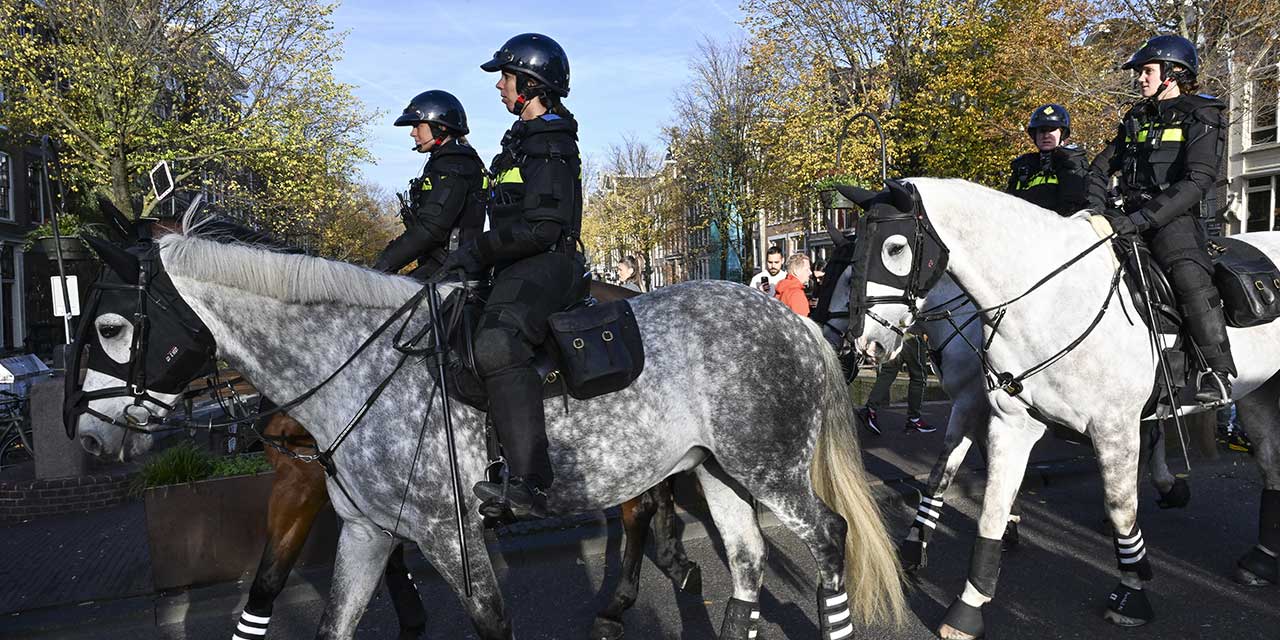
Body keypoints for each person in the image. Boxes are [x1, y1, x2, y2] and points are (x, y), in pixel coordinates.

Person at [441, 33, 583, 519]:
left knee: (497, 344)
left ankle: (531, 482)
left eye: (504, 77)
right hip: (514, 263)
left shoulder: (548, 139)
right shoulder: (518, 142)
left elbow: (545, 227)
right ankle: (493, 461)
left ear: (530, 83)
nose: (498, 86)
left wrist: (479, 251)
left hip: (549, 263)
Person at [1087, 34, 1233, 405]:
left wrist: (1140, 219)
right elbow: (1101, 167)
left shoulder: (1202, 113)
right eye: (1140, 72)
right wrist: (1093, 210)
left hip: (1173, 219)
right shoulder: (1136, 116)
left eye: (1147, 71)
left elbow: (1198, 181)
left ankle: (1214, 371)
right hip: (1127, 217)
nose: (1140, 79)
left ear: (1174, 72)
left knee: (1188, 276)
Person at [372, 90, 487, 279]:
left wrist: (381, 267)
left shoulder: (455, 164)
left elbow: (431, 228)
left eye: (418, 126)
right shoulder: (446, 161)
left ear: (439, 127)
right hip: (442, 268)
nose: (412, 132)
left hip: (453, 275)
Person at [1006, 104, 1090, 217]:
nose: (1046, 135)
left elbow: (1072, 207)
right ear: (1034, 135)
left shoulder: (1071, 161)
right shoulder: (1023, 166)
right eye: (1042, 131)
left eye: (1052, 130)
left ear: (1063, 134)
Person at [860, 331, 934, 435]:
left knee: (888, 372)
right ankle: (914, 419)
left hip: (892, 333)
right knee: (919, 377)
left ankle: (870, 410)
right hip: (912, 335)